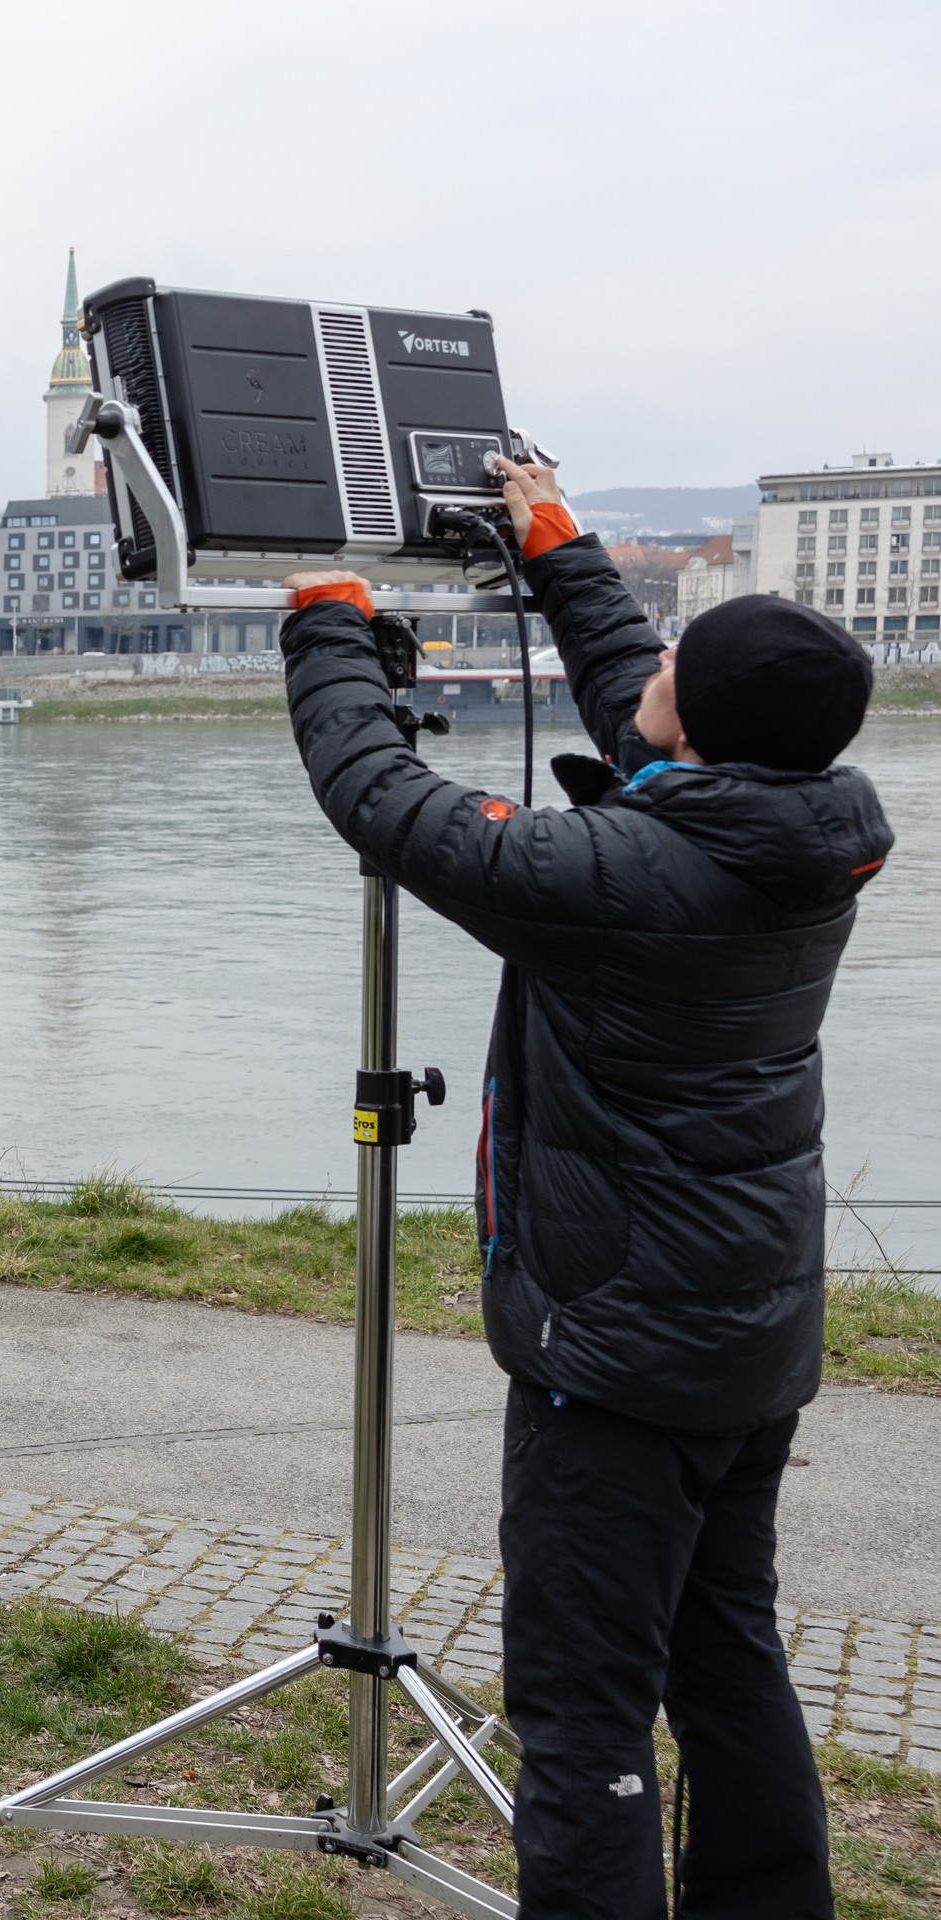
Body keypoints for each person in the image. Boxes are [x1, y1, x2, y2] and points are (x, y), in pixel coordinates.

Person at [279, 459, 888, 1920]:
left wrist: (323, 622)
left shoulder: (621, 873)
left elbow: (382, 798)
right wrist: (559, 550)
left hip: (617, 1362)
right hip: (744, 1339)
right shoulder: (802, 828)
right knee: (728, 1656)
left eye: (681, 658)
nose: (656, 663)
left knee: (585, 1717)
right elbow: (649, 700)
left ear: (710, 721)